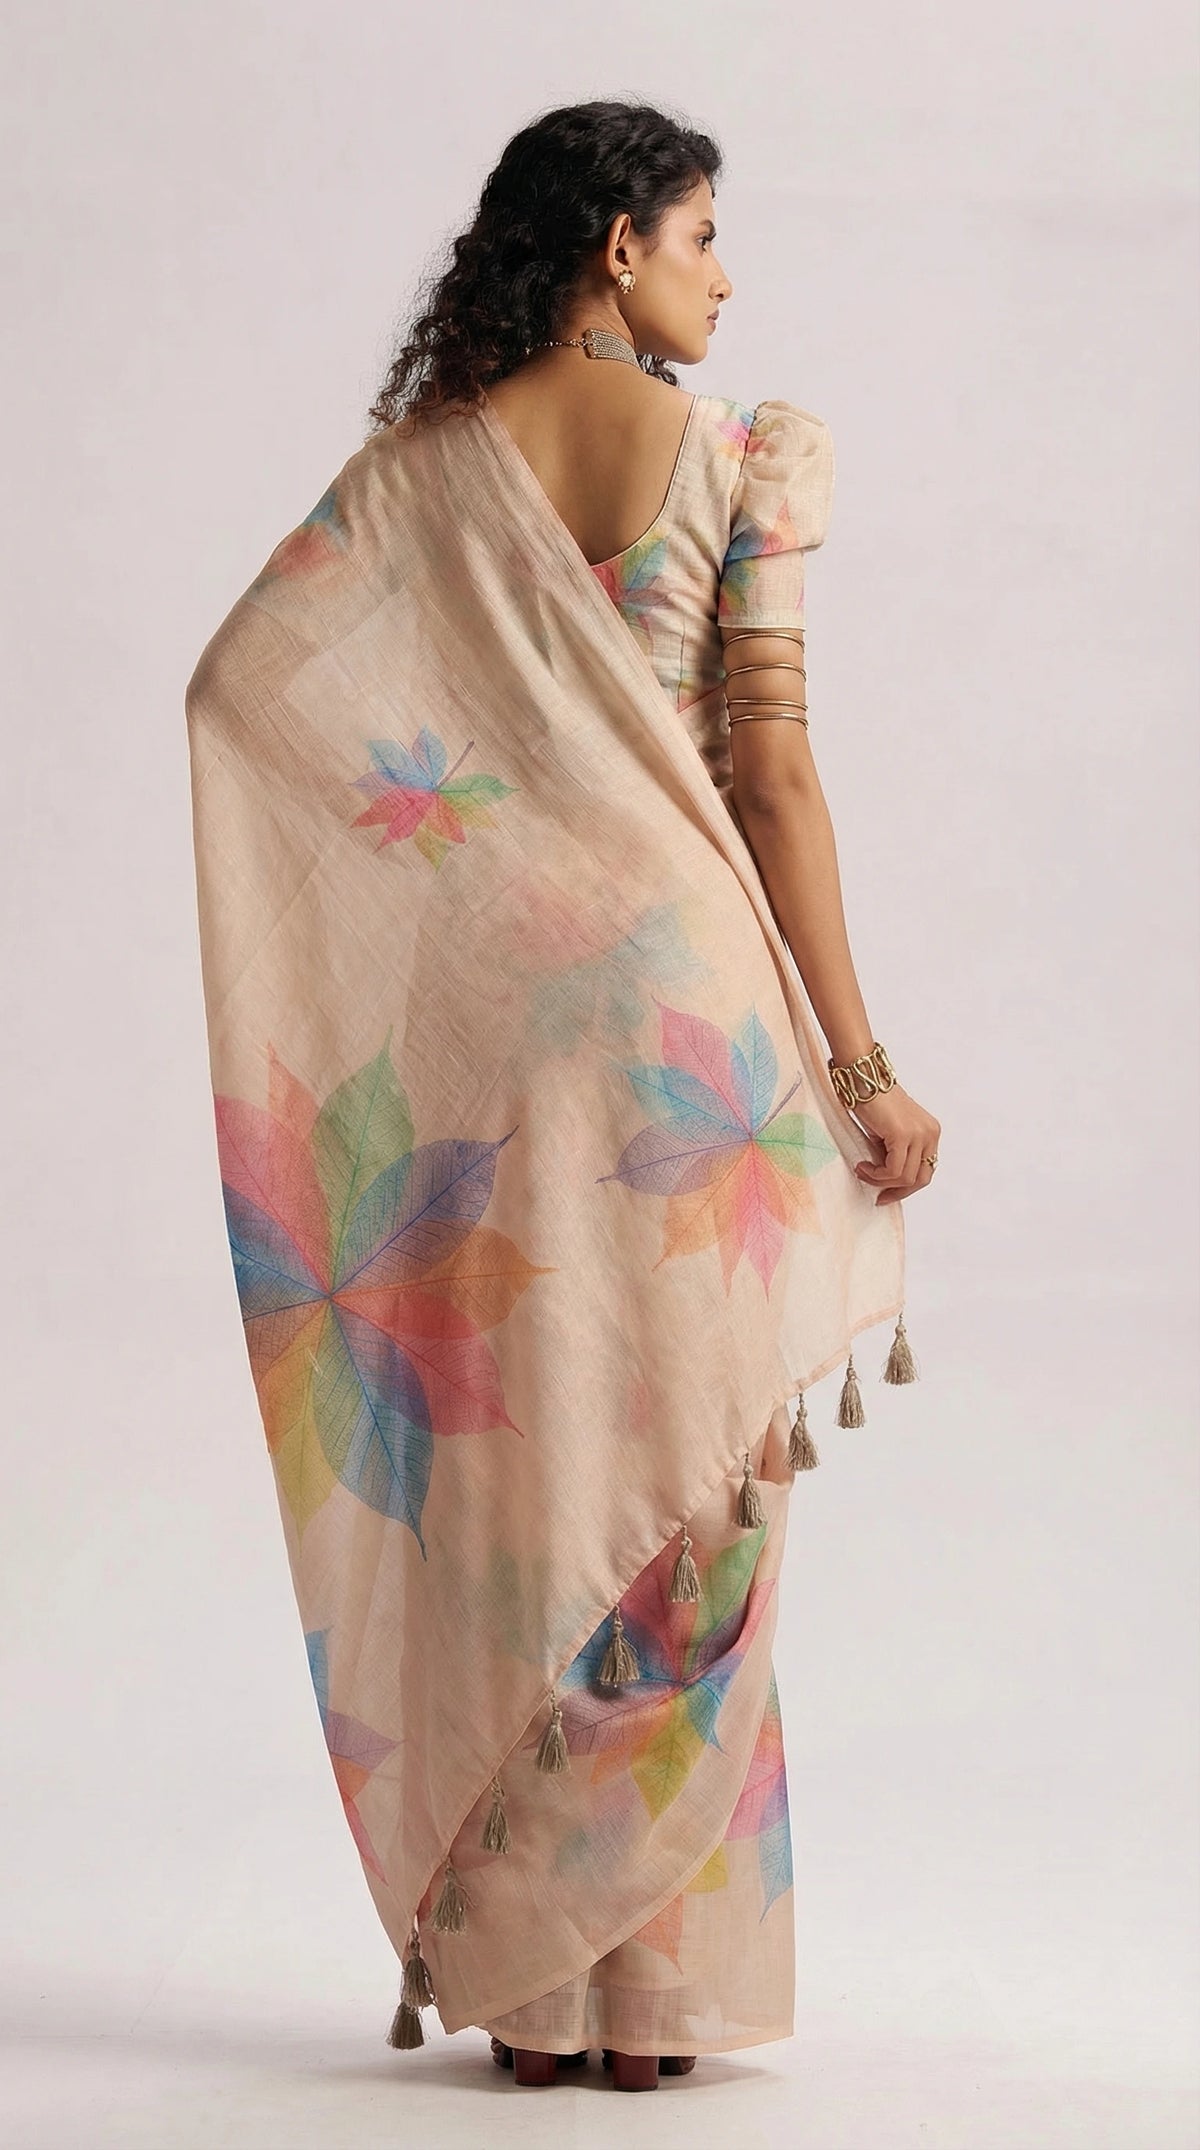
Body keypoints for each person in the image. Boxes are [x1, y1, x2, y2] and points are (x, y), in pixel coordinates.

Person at [184, 98, 940, 2094]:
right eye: (700, 232)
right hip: (696, 1035)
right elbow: (766, 767)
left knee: (546, 1482)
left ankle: (535, 1985)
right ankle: (650, 2007)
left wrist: (480, 884)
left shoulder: (422, 479)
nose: (723, 271)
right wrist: (862, 1065)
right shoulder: (734, 457)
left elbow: (244, 691)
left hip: (518, 1044)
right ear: (614, 243)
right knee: (696, 1485)